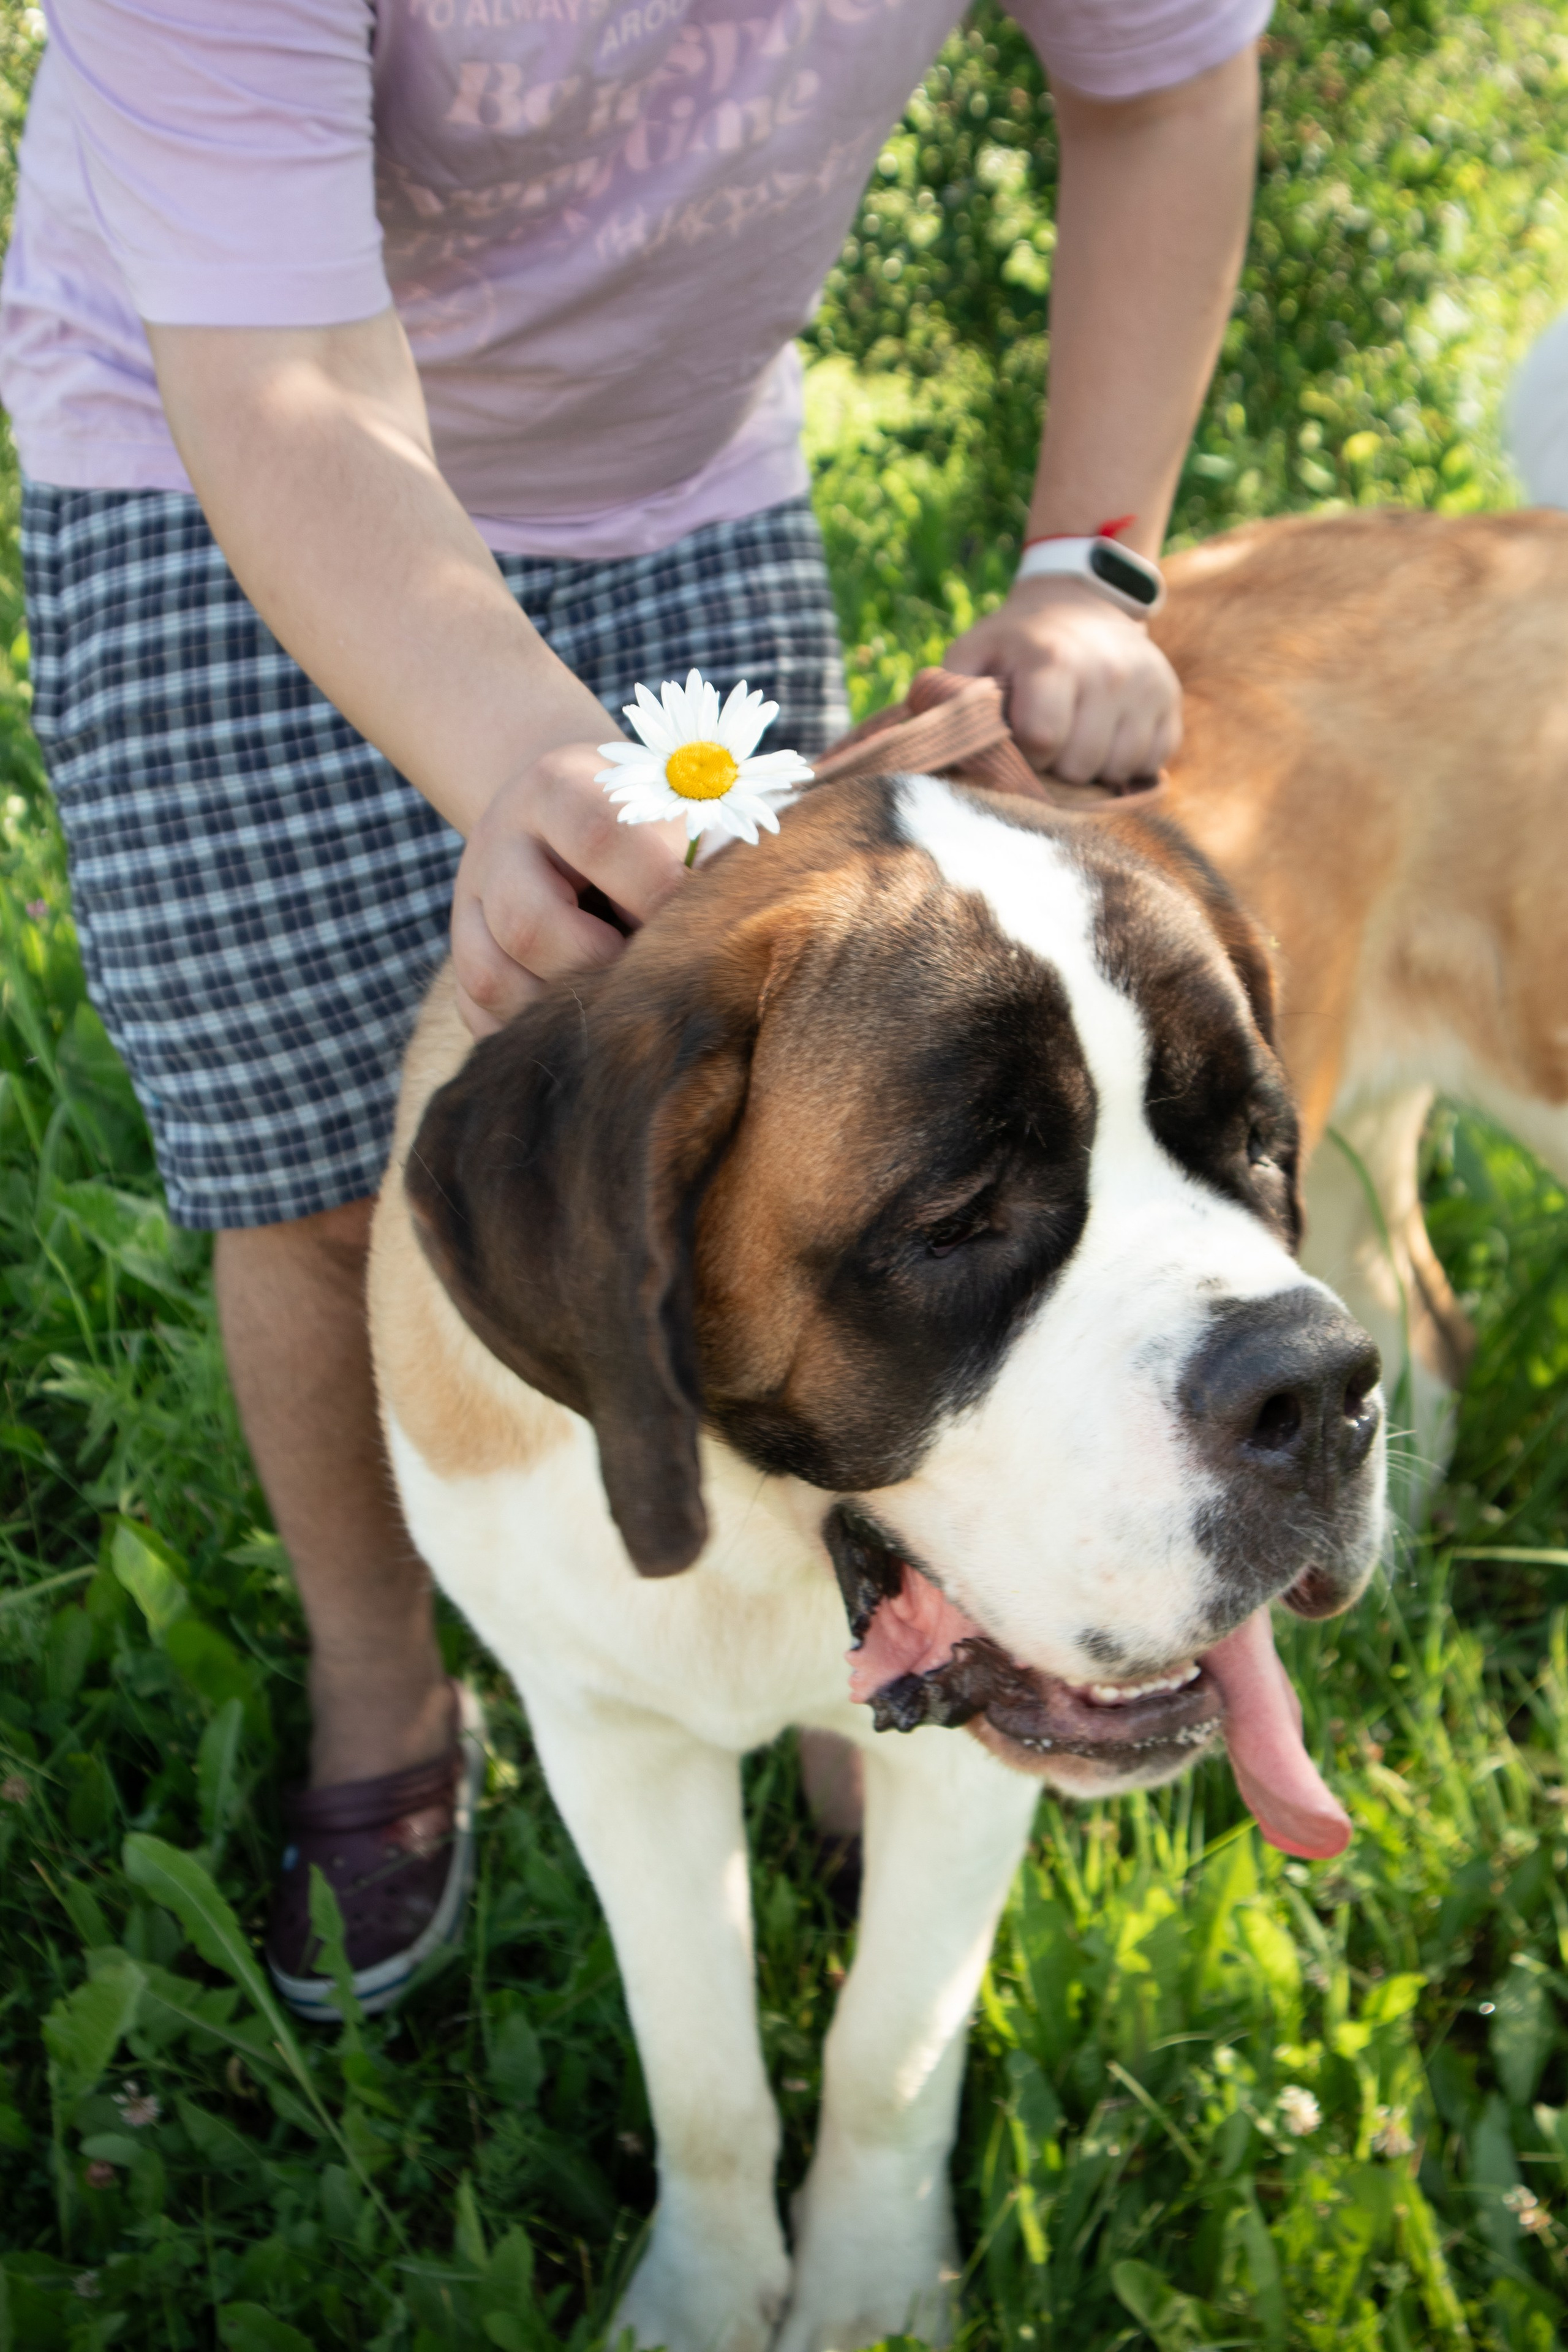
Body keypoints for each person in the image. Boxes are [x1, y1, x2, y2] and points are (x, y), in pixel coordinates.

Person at [1, 0, 1264, 2013]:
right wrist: (524, 766)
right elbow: (288, 376)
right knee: (321, 1168)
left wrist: (1087, 563)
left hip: (672, 471)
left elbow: (1169, 76)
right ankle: (382, 1677)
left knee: (810, 1155)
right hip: (205, 434)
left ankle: (896, 1620)